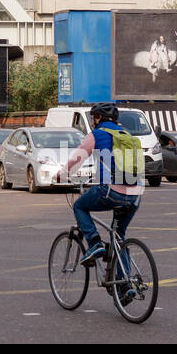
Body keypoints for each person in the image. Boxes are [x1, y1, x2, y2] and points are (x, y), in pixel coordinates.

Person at [56, 102, 143, 268]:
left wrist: (61, 175)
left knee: (79, 206)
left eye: (93, 117)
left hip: (111, 190)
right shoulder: (128, 135)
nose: (92, 121)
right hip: (136, 194)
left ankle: (95, 243)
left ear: (98, 117)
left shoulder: (97, 134)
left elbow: (78, 158)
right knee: (118, 236)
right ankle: (125, 287)